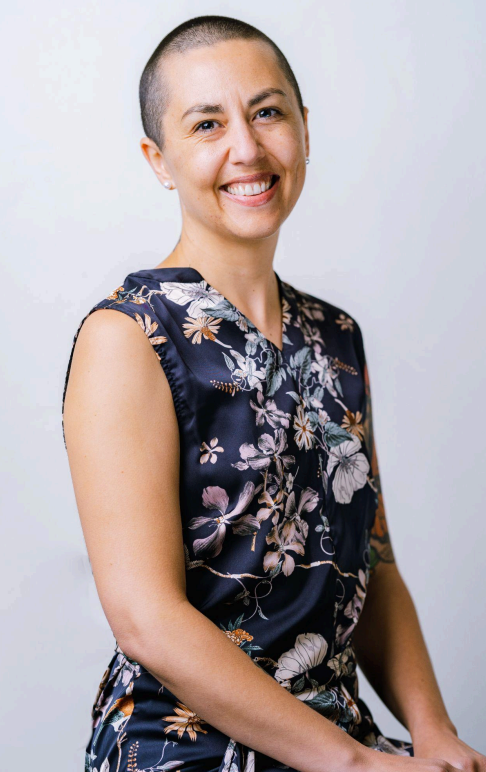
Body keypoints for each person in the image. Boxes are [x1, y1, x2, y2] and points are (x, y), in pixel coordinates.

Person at [62, 14, 485, 772]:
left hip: (336, 732)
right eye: (207, 124)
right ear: (159, 160)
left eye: (266, 112)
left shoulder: (336, 335)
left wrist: (435, 735)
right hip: (182, 744)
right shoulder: (128, 338)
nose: (247, 149)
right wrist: (355, 765)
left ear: (304, 128)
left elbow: (373, 562)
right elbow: (146, 620)